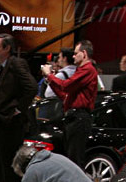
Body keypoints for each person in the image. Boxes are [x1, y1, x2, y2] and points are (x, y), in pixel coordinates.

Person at [0, 33, 37, 182]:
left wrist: (16, 110)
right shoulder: (2, 66)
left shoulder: (16, 64)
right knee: (0, 165)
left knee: (9, 165)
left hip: (11, 124)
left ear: (7, 48)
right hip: (0, 121)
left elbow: (31, 87)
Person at [41, 40, 98, 169]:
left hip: (79, 118)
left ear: (83, 54)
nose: (73, 56)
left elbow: (65, 86)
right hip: (73, 118)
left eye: (75, 53)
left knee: (74, 159)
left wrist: (50, 75)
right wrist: (50, 81)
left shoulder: (88, 70)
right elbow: (64, 96)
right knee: (70, 157)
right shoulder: (82, 70)